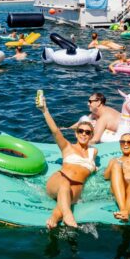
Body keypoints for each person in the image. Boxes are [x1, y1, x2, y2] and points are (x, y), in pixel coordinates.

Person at [37, 94, 97, 229]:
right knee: (65, 184)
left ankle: (54, 217)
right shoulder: (67, 147)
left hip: (77, 187)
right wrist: (45, 110)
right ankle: (69, 216)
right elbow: (55, 131)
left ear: (91, 136)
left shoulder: (93, 152)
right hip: (59, 180)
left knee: (65, 201)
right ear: (76, 133)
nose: (83, 134)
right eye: (80, 131)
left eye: (87, 132)